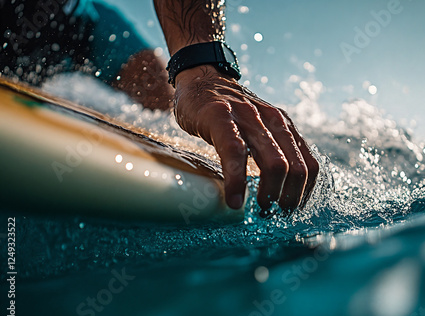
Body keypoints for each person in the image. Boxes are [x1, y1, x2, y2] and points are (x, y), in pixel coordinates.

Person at [0, 0, 319, 213]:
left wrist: (201, 68)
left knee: (158, 86)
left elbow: (165, 95)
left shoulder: (83, 20)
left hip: (75, 18)